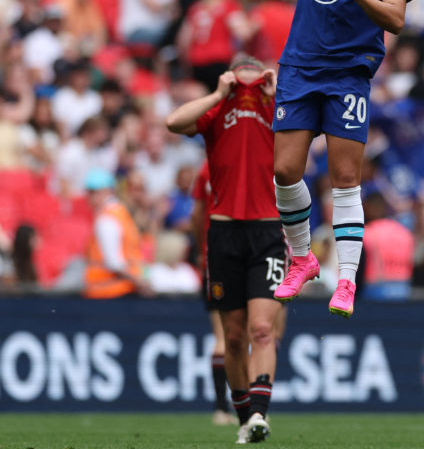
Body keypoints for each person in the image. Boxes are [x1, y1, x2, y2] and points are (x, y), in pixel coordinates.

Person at [242, 0, 415, 318]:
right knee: (284, 171)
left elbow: (396, 18)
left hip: (348, 74)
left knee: (344, 179)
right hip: (300, 68)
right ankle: (302, 259)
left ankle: (346, 280)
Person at [165, 55, 286, 444]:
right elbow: (174, 122)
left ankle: (258, 416)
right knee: (233, 336)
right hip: (224, 233)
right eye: (241, 83)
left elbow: (312, 124)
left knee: (262, 329)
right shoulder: (217, 109)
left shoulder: (277, 106)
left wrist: (275, 91)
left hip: (268, 230)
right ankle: (242, 416)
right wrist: (220, 92)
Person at [189, 160, 237, 426]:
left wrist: (200, 251)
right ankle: (252, 407)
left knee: (222, 335)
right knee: (250, 333)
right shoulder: (247, 159)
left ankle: (221, 408)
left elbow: (197, 216)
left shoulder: (206, 169)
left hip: (214, 256)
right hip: (248, 254)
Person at [82, 168, 151, 299]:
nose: (89, 198)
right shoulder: (122, 214)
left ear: (106, 191)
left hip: (109, 292)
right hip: (123, 289)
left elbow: (113, 262)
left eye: (93, 192)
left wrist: (140, 282)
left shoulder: (106, 219)